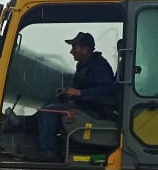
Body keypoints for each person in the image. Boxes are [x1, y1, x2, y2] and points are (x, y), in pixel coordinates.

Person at [34, 31, 116, 159]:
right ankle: (45, 147)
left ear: (85, 49)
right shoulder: (84, 65)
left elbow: (108, 89)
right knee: (45, 108)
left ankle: (48, 152)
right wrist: (67, 92)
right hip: (83, 105)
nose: (71, 51)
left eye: (74, 47)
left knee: (49, 112)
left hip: (94, 110)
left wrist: (80, 93)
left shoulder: (99, 66)